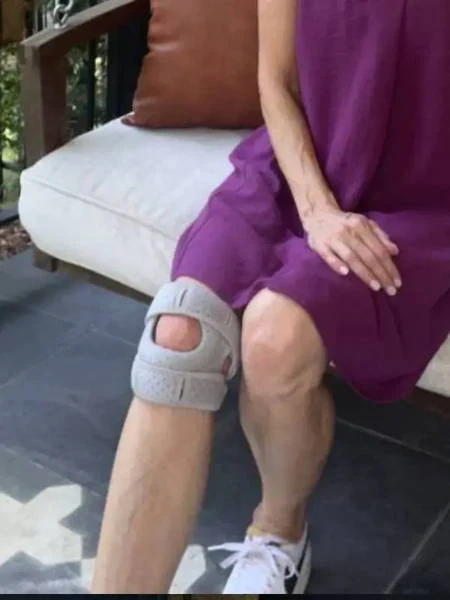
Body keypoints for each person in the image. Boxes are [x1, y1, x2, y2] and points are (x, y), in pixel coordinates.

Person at [91, 0, 450, 594]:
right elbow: (276, 80)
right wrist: (318, 209)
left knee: (275, 340)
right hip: (300, 169)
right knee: (179, 334)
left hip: (425, 196)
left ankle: (279, 530)